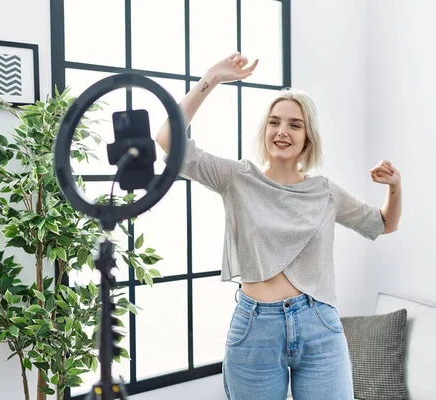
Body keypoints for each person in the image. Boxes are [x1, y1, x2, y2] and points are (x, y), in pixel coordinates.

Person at [156, 52, 402, 400]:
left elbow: (383, 224)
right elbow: (167, 139)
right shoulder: (237, 178)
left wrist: (394, 185)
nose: (282, 131)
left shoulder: (325, 192)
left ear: (308, 138)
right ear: (265, 130)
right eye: (275, 122)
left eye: (294, 124)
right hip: (255, 329)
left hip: (320, 328)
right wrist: (211, 78)